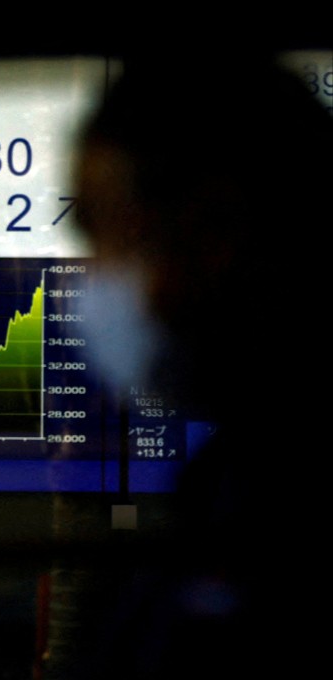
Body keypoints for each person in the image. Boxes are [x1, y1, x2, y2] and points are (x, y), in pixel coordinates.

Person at [72, 54, 332, 679]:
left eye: (105, 234)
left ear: (215, 229)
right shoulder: (235, 474)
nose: (92, 276)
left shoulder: (284, 504)